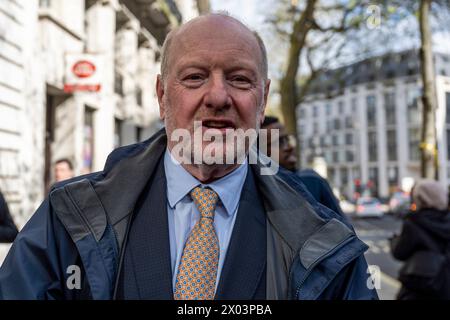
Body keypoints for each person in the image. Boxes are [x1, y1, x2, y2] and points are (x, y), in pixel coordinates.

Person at [0, 13, 377, 300]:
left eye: (240, 79)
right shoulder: (69, 217)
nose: (217, 96)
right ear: (162, 95)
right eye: (195, 77)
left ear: (262, 100)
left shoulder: (325, 241)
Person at [261, 116, 344, 216]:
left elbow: (344, 228)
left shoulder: (313, 181)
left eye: (287, 139)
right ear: (259, 152)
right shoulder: (253, 191)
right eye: (279, 142)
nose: (290, 147)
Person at [390, 179, 450, 300]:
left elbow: (400, 253)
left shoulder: (413, 222)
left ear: (420, 198)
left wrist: (394, 241)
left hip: (421, 285)